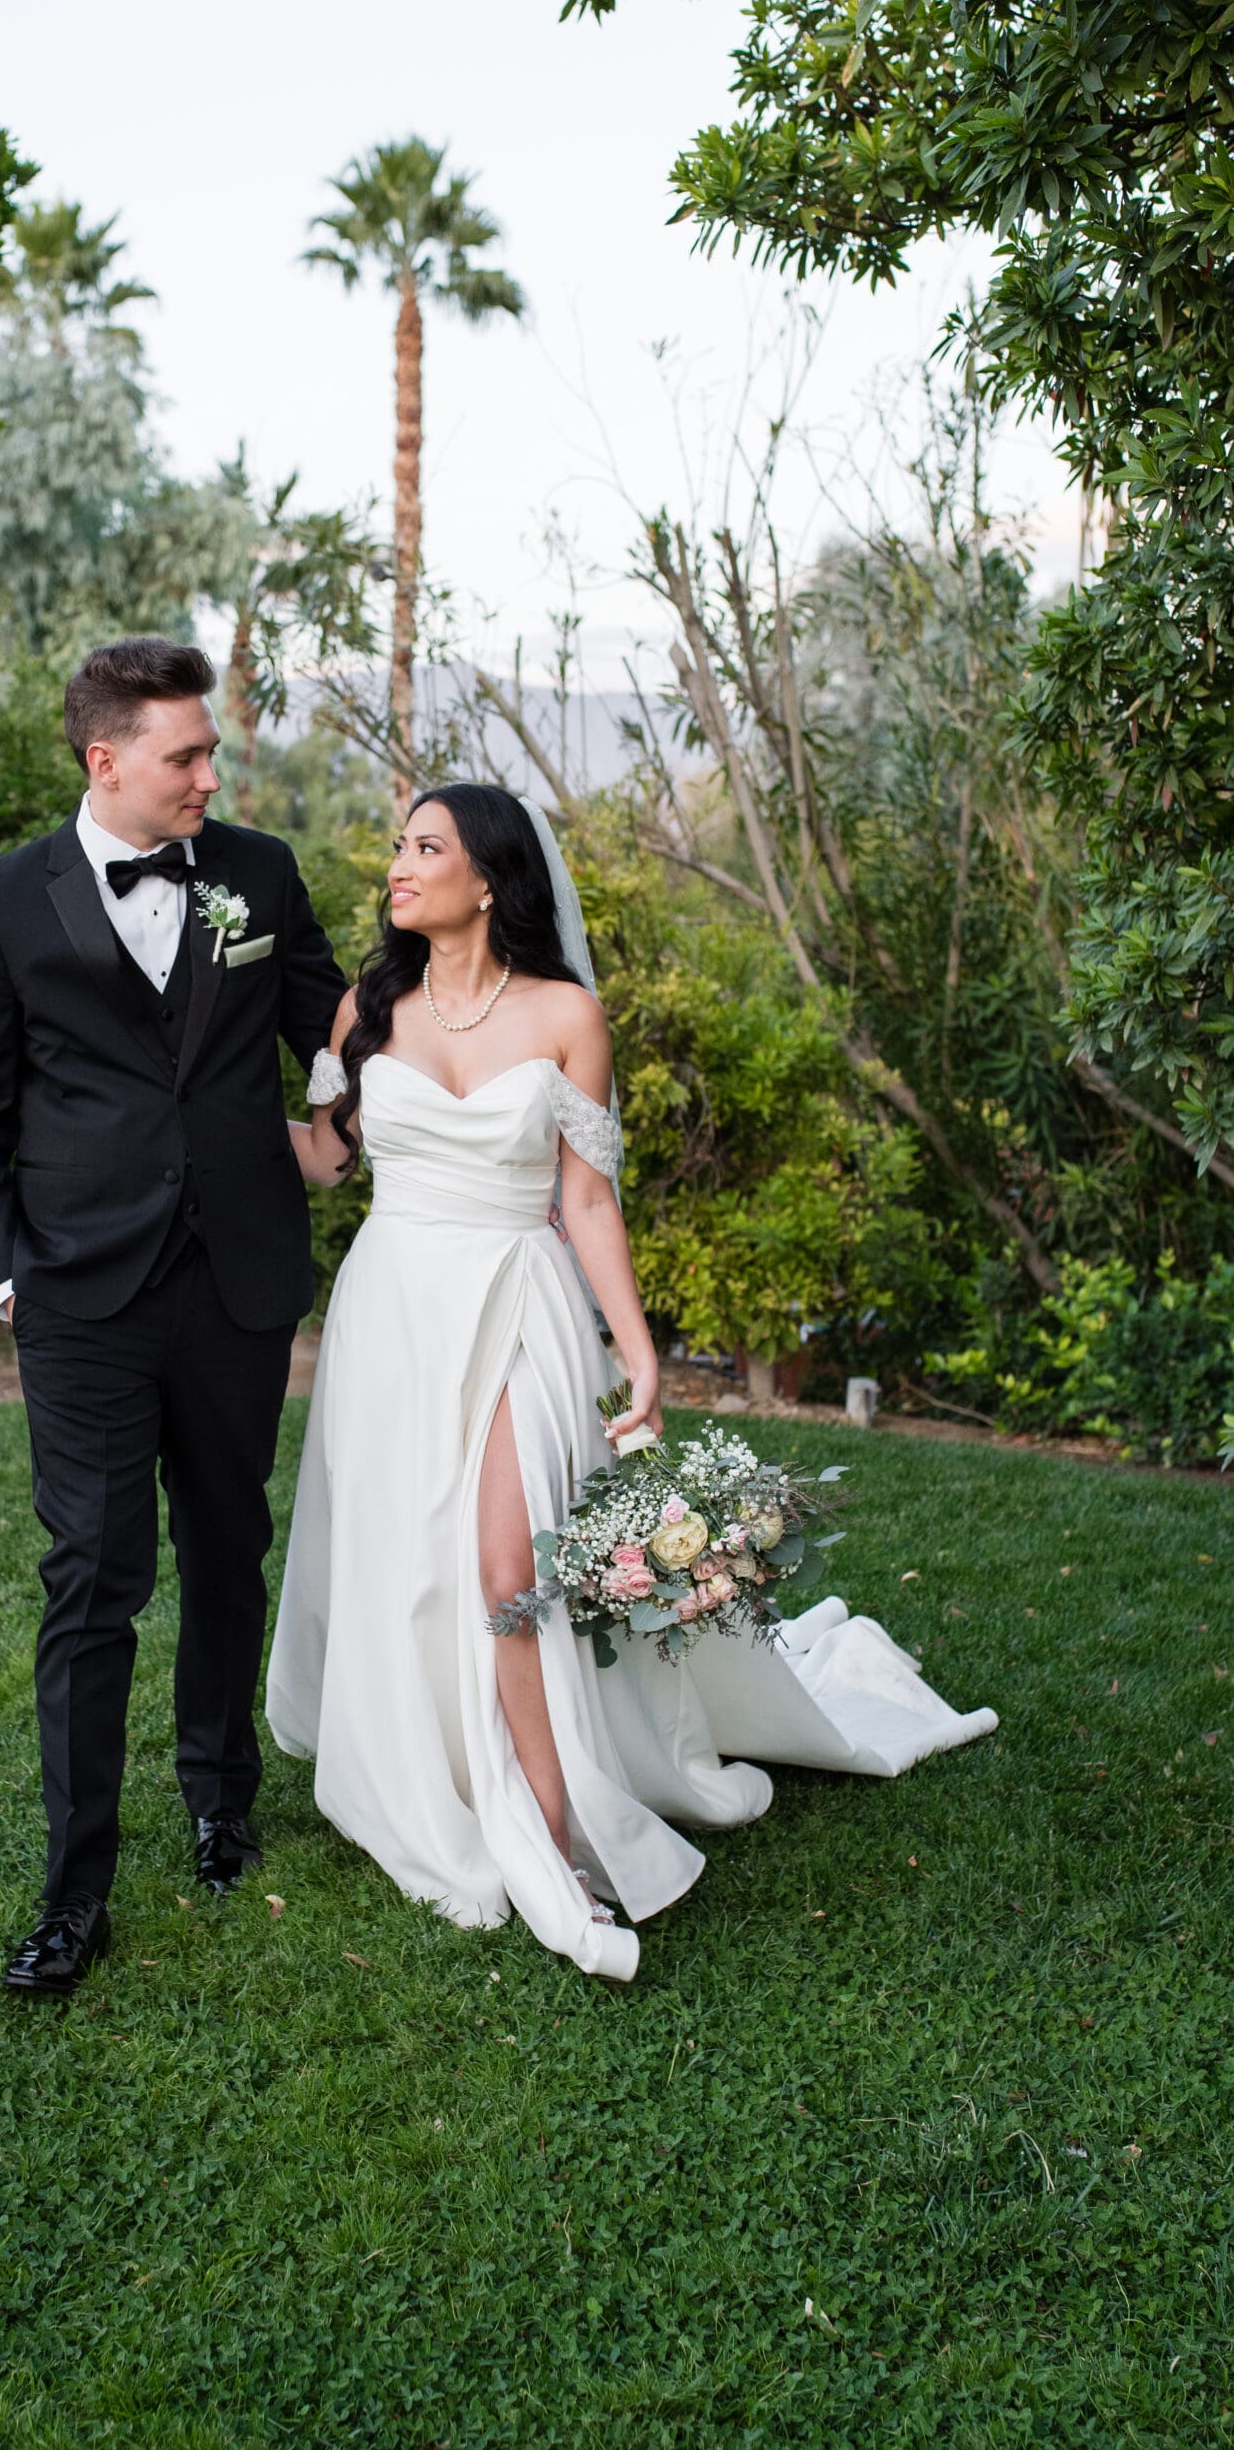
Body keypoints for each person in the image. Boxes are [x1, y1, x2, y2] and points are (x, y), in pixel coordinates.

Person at [267, 783, 996, 1981]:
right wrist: (236, 1085)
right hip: (392, 1315)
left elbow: (585, 1199)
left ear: (488, 879)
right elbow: (326, 1165)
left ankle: (550, 1828)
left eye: (423, 847)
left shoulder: (565, 1015)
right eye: (398, 846)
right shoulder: (365, 1009)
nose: (396, 865)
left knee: (510, 1570)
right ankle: (425, 1765)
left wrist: (639, 1347)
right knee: (412, 1563)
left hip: (515, 1305)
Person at [0, 638, 345, 1993]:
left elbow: (333, 1028)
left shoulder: (260, 874)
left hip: (235, 1283)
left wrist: (338, 1108)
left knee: (229, 1549)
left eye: (210, 753)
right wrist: (8, 1269)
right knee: (93, 1579)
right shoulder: (5, 901)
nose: (208, 777)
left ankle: (221, 1802)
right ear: (104, 760)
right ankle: (74, 1890)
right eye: (185, 755)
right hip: (81, 1297)